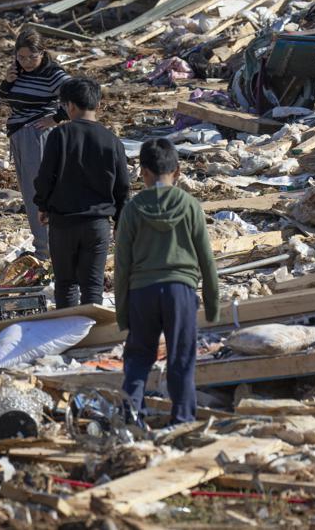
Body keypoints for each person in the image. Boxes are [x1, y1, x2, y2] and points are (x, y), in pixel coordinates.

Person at [114, 138, 219, 425]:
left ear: (143, 172)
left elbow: (122, 265)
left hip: (142, 293)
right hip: (180, 290)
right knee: (181, 358)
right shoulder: (189, 205)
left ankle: (131, 416)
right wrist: (213, 304)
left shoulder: (133, 209)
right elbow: (206, 258)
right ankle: (182, 420)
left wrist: (122, 313)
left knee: (137, 357)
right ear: (178, 170)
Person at [34, 78, 130, 309]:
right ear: (97, 104)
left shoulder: (60, 135)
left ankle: (67, 336)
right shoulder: (112, 140)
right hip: (98, 225)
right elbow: (122, 186)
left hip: (64, 222)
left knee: (66, 284)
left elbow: (46, 176)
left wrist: (42, 205)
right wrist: (120, 220)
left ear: (70, 106)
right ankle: (91, 335)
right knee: (93, 285)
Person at [0, 28, 71, 260]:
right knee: (30, 194)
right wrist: (7, 82)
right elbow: (4, 97)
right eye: (21, 57)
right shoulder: (17, 71)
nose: (27, 62)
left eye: (32, 57)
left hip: (38, 136)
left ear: (43, 53)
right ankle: (45, 247)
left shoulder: (52, 74)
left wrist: (56, 118)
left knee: (39, 193)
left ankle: (47, 251)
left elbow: (79, 96)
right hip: (19, 133)